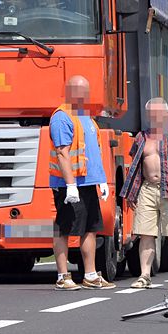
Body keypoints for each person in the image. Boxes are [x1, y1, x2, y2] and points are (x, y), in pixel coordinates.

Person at [49, 75, 116, 290]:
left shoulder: (87, 118)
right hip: (70, 185)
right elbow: (62, 153)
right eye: (80, 91)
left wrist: (101, 180)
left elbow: (94, 152)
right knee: (64, 229)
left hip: (88, 184)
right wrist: (70, 185)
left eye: (86, 91)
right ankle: (62, 276)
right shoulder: (62, 117)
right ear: (70, 92)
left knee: (90, 228)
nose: (84, 95)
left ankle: (90, 275)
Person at [120, 98, 168, 290]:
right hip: (148, 189)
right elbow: (135, 166)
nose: (155, 117)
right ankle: (144, 275)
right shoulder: (142, 137)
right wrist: (131, 192)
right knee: (145, 234)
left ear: (166, 114)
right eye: (152, 113)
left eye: (159, 113)